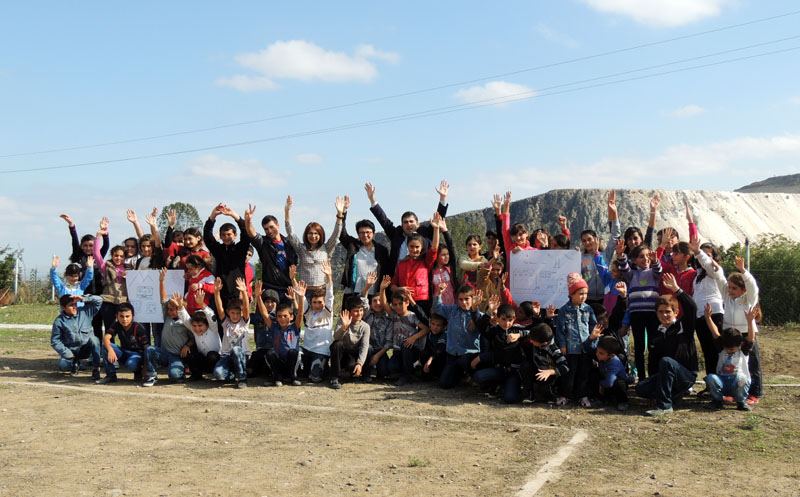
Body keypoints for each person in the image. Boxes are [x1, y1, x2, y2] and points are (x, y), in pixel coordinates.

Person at [635, 273, 699, 416]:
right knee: (641, 388)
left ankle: (664, 406)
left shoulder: (684, 327)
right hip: (665, 377)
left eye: (668, 312)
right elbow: (652, 363)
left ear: (676, 312)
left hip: (685, 376)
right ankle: (673, 396)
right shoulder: (656, 333)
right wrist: (651, 395)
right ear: (656, 313)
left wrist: (677, 289)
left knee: (667, 362)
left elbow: (692, 308)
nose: (664, 315)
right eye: (661, 312)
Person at [365, 180, 449, 274]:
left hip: (420, 278)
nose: (409, 224)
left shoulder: (425, 234)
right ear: (402, 225)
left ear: (417, 224)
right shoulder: (396, 234)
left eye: (411, 221)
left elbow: (438, 219)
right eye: (405, 222)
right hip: (398, 278)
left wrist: (443, 198)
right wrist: (372, 199)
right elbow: (383, 220)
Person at [616, 237, 662, 381]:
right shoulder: (632, 275)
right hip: (636, 315)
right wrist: (620, 255)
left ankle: (653, 376)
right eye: (641, 256)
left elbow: (658, 270)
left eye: (648, 256)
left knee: (653, 346)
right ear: (634, 260)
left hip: (652, 314)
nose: (645, 259)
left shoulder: (654, 273)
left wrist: (655, 261)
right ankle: (641, 378)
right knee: (639, 346)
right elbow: (624, 268)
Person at [721, 255, 763, 406]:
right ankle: (734, 392)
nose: (730, 290)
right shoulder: (727, 297)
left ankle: (754, 393)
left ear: (743, 290)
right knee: (733, 364)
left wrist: (743, 271)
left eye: (734, 288)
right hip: (731, 334)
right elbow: (719, 278)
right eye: (729, 287)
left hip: (746, 333)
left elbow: (753, 286)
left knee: (752, 364)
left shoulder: (749, 298)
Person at [553, 273, 599, 407]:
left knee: (584, 373)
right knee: (569, 372)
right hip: (571, 348)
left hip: (585, 348)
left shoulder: (588, 309)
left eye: (585, 294)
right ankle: (565, 394)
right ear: (572, 294)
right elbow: (560, 330)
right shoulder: (564, 310)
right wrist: (562, 345)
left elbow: (593, 326)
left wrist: (593, 341)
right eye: (580, 294)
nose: (583, 296)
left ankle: (582, 395)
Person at [142, 269, 194, 386]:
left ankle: (180, 371)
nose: (169, 311)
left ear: (179, 309)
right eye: (168, 309)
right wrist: (161, 281)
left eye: (172, 309)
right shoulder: (168, 317)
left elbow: (193, 338)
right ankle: (151, 376)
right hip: (164, 353)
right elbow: (163, 298)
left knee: (174, 375)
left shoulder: (186, 321)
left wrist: (187, 345)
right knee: (150, 349)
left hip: (176, 355)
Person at [473, 298, 529, 404]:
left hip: (514, 372)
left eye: (510, 320)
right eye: (503, 319)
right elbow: (481, 327)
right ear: (497, 318)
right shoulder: (494, 332)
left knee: (509, 398)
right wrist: (489, 312)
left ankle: (512, 386)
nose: (507, 323)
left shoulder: (517, 329)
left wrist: (519, 335)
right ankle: (497, 385)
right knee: (478, 376)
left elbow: (534, 331)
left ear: (514, 319)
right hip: (499, 370)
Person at [431, 281, 485, 389]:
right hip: (453, 354)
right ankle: (460, 375)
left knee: (464, 361)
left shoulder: (478, 315)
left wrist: (475, 316)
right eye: (461, 299)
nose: (464, 302)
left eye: (467, 299)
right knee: (444, 384)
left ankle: (471, 374)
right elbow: (437, 308)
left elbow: (485, 322)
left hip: (469, 355)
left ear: (473, 298)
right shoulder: (452, 310)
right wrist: (439, 293)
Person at [703, 304, 757, 411]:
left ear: (740, 344)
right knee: (710, 377)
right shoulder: (722, 349)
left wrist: (750, 321)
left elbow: (751, 338)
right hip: (722, 381)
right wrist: (708, 318)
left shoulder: (743, 351)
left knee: (742, 380)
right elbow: (715, 333)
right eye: (727, 349)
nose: (729, 351)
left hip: (736, 383)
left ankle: (740, 402)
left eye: (732, 349)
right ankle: (717, 400)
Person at [284, 195, 344, 287]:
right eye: (310, 233)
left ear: (321, 235)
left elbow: (336, 234)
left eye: (316, 233)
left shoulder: (326, 248)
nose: (313, 236)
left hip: (322, 290)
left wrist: (339, 214)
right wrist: (287, 211)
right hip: (305, 290)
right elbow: (291, 234)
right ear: (306, 235)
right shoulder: (301, 249)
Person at [380, 276, 429, 386]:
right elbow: (384, 304)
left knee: (405, 345)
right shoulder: (394, 315)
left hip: (411, 350)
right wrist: (382, 289)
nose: (397, 307)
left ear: (407, 303)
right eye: (395, 304)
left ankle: (406, 376)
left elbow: (426, 329)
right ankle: (411, 371)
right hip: (397, 351)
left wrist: (413, 338)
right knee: (392, 368)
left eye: (400, 303)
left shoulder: (412, 316)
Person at [244, 205, 299, 305]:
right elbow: (252, 234)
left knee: (286, 314)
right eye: (266, 229)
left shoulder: (289, 243)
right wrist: (248, 221)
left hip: (287, 288)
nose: (269, 231)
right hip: (270, 287)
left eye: (271, 227)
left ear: (278, 225)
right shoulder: (263, 243)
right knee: (269, 314)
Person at [689, 234, 726, 381]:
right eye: (701, 254)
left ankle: (721, 382)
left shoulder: (716, 271)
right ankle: (711, 383)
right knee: (707, 350)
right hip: (700, 315)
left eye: (708, 255)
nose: (703, 258)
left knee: (717, 348)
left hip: (714, 314)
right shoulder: (698, 275)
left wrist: (699, 252)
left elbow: (709, 265)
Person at [339, 197, 390, 303]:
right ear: (358, 234)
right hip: (353, 291)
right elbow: (342, 233)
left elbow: (386, 271)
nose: (365, 235)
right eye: (362, 233)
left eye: (368, 232)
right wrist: (343, 212)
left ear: (373, 233)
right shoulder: (353, 246)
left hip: (373, 293)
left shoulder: (382, 250)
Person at [390, 212, 442, 314]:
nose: (414, 250)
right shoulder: (401, 264)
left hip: (422, 301)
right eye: (411, 247)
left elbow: (434, 248)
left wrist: (436, 229)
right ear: (407, 247)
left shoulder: (426, 262)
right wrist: (400, 289)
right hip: (404, 302)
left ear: (422, 247)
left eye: (417, 247)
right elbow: (393, 285)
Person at [203, 203, 251, 307]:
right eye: (223, 235)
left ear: (235, 235)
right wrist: (213, 216)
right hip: (221, 293)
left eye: (229, 234)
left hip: (238, 293)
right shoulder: (218, 250)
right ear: (220, 236)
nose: (226, 237)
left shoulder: (240, 249)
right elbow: (207, 236)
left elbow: (246, 234)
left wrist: (234, 216)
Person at [260, 282, 306, 386]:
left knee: (293, 352)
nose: (282, 319)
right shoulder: (275, 327)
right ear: (276, 318)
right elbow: (264, 314)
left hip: (292, 363)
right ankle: (277, 377)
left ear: (291, 317)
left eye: (285, 316)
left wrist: (300, 298)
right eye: (279, 316)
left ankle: (293, 377)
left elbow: (300, 314)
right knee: (270, 353)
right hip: (279, 362)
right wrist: (258, 297)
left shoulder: (295, 327)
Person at [580, 190, 621, 306]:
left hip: (605, 297)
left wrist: (614, 213)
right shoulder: (581, 258)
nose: (587, 243)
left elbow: (615, 235)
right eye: (584, 241)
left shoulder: (606, 254)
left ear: (596, 239)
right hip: (587, 299)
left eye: (589, 239)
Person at [51, 294, 103, 380]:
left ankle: (96, 368)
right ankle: (75, 364)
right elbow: (55, 341)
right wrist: (66, 352)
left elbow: (99, 300)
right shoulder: (59, 321)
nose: (74, 307)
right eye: (71, 305)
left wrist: (83, 298)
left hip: (86, 349)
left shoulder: (85, 312)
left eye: (75, 304)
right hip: (71, 351)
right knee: (63, 366)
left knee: (95, 340)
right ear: (63, 308)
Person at [212, 277, 252, 388]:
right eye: (233, 313)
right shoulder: (226, 323)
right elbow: (219, 307)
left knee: (236, 350)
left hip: (241, 355)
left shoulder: (244, 323)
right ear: (228, 312)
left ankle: (242, 378)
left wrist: (244, 292)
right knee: (218, 374)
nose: (235, 316)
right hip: (226, 356)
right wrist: (216, 292)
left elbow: (246, 308)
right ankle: (233, 376)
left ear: (241, 313)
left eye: (238, 313)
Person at [92, 218, 129, 334]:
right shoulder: (106, 267)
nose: (118, 258)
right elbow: (96, 254)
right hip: (108, 301)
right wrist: (98, 235)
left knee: (124, 330)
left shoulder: (129, 269)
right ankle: (109, 345)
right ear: (112, 256)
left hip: (123, 302)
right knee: (109, 328)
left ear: (124, 257)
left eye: (121, 256)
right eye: (116, 255)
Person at [97, 302, 150, 384]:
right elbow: (106, 338)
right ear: (117, 316)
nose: (124, 319)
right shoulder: (116, 325)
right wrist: (110, 350)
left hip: (137, 355)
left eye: (127, 316)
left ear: (133, 316)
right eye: (121, 316)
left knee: (131, 363)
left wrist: (145, 368)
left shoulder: (138, 328)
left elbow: (147, 348)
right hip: (124, 352)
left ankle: (138, 371)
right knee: (106, 346)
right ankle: (111, 375)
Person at [301, 261, 335, 383]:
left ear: (324, 303)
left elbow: (330, 296)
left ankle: (324, 368)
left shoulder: (327, 314)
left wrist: (328, 276)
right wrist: (293, 280)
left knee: (314, 378)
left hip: (321, 351)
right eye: (314, 302)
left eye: (320, 302)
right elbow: (302, 297)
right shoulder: (308, 313)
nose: (317, 305)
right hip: (306, 350)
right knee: (296, 368)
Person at [329, 296, 371, 389]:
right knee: (337, 344)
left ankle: (363, 374)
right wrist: (344, 327)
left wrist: (359, 363)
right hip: (343, 353)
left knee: (368, 349)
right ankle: (334, 377)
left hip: (354, 354)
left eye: (361, 310)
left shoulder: (365, 326)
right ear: (348, 312)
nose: (359, 313)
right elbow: (336, 337)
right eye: (356, 311)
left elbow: (364, 346)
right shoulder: (342, 321)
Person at [521, 323, 569, 404]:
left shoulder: (554, 350)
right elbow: (527, 333)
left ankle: (551, 396)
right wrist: (518, 335)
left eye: (533, 341)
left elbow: (565, 367)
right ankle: (529, 394)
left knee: (545, 389)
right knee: (525, 366)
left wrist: (550, 372)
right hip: (537, 368)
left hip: (549, 374)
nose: (531, 341)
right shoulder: (536, 336)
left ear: (544, 343)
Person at [362, 276, 393, 382]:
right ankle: (366, 374)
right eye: (375, 301)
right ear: (371, 304)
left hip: (381, 350)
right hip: (367, 348)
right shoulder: (367, 314)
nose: (378, 303)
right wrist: (367, 286)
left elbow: (388, 343)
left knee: (384, 372)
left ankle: (376, 367)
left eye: (380, 301)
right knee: (368, 348)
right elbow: (363, 299)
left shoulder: (389, 319)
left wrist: (377, 356)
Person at [186, 290, 222, 380]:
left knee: (212, 355)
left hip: (215, 360)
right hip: (203, 360)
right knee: (193, 355)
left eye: (200, 326)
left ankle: (214, 373)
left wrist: (202, 304)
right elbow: (185, 319)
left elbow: (211, 316)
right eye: (194, 326)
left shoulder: (213, 328)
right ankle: (196, 375)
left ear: (207, 324)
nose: (197, 329)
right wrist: (180, 308)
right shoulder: (194, 330)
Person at [249, 283, 279, 379]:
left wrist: (258, 297)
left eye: (272, 302)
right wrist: (246, 294)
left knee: (269, 369)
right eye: (267, 302)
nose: (269, 304)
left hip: (273, 351)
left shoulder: (279, 317)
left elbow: (266, 315)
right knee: (250, 371)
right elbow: (244, 315)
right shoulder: (257, 317)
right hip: (260, 349)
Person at [593, 335, 632, 411]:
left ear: (611, 355)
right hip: (606, 382)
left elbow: (609, 382)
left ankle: (622, 401)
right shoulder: (603, 357)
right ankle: (601, 399)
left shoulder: (614, 364)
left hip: (614, 385)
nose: (597, 354)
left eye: (601, 353)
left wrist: (601, 385)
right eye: (597, 351)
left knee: (619, 383)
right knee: (594, 374)